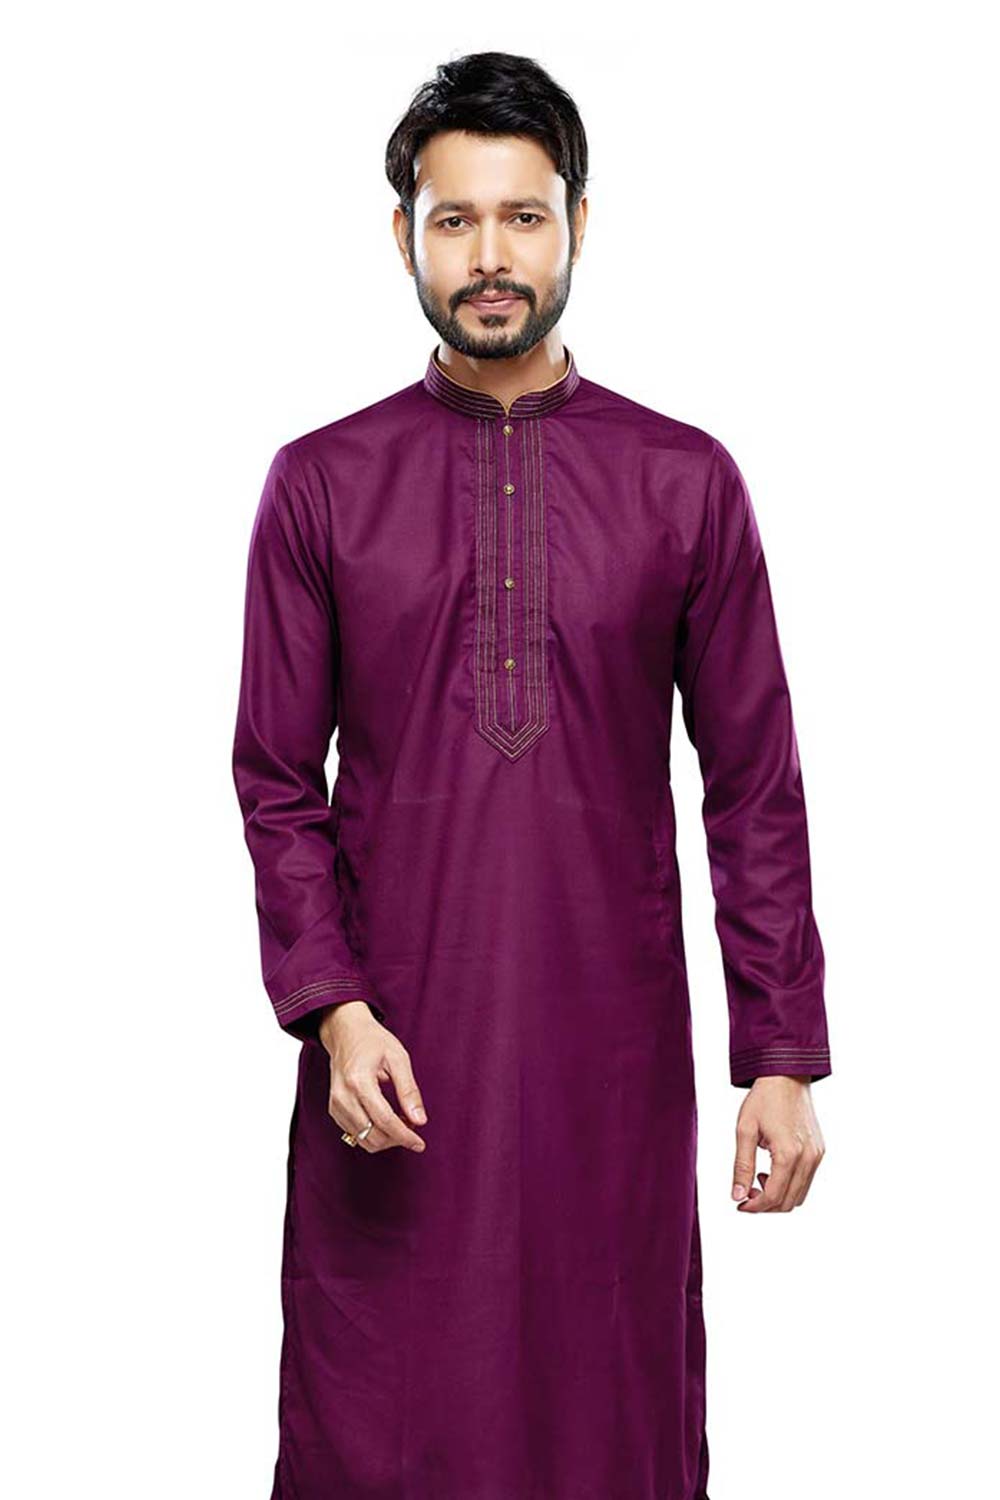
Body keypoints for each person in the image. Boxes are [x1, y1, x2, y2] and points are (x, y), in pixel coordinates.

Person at [231, 49, 832, 1500]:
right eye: (456, 220)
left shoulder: (684, 482)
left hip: (606, 1072)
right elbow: (275, 778)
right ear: (405, 236)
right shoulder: (323, 483)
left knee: (603, 1417)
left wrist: (780, 1053)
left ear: (577, 226)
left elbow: (753, 783)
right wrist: (335, 1011)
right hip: (394, 1064)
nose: (491, 256)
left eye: (523, 216)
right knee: (383, 1423)